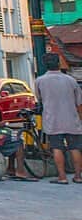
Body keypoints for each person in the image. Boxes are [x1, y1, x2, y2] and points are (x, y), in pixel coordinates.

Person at [34, 52, 82, 184]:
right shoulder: (71, 80)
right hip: (71, 120)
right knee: (75, 148)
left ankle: (62, 177)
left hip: (52, 119)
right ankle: (78, 176)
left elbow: (40, 99)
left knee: (57, 147)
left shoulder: (40, 81)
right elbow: (79, 103)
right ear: (59, 63)